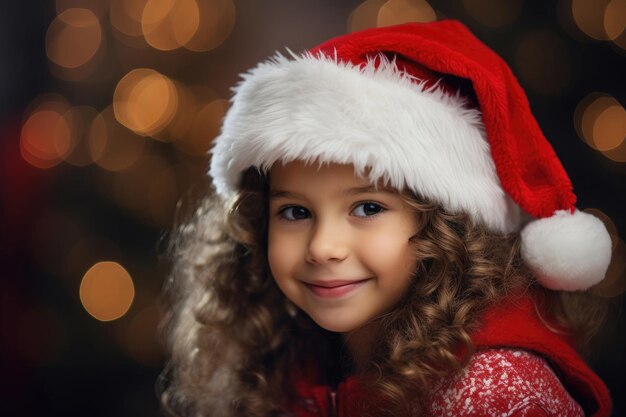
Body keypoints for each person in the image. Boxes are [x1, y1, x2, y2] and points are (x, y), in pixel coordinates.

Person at [159, 20, 613, 417]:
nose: (322, 247)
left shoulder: (497, 395)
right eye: (295, 212)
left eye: (368, 208)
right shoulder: (289, 365)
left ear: (447, 227)